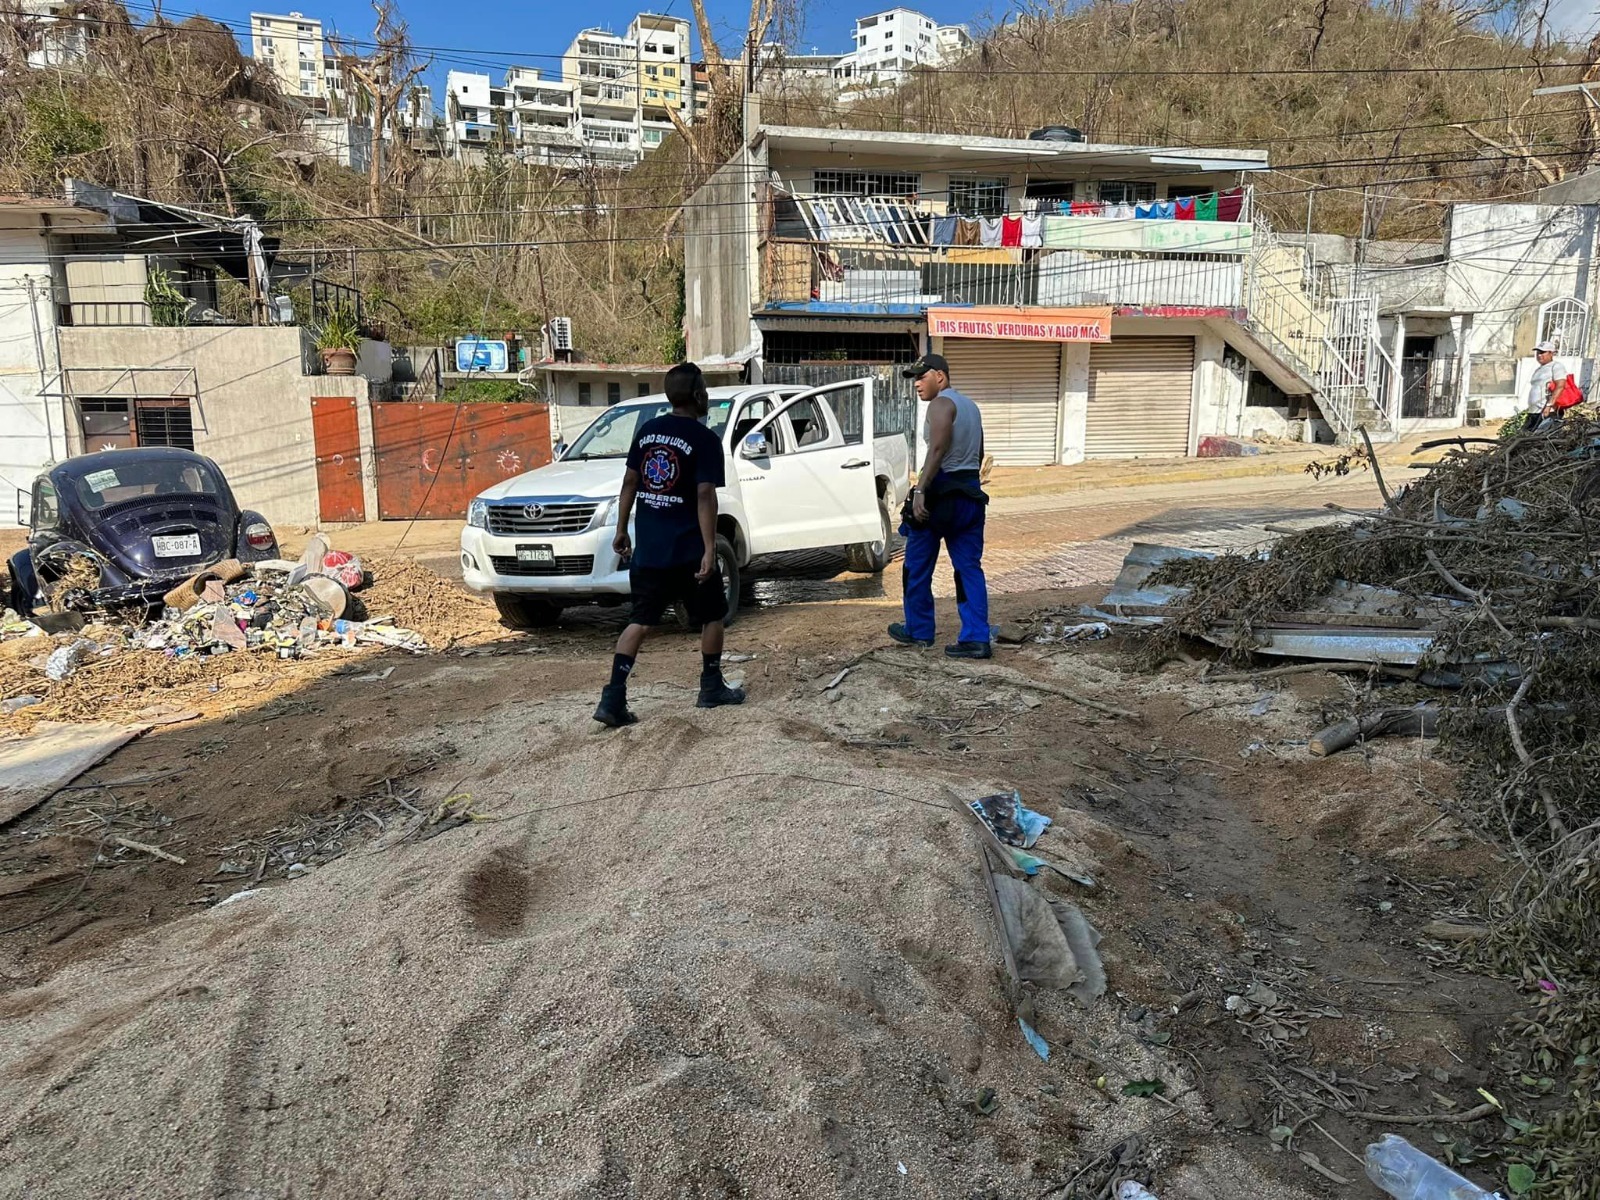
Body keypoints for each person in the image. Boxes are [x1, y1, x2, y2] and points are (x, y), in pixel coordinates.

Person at [593, 362, 745, 727]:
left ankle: (613, 697)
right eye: (705, 389)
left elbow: (629, 483)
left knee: (640, 621)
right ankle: (710, 687)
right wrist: (710, 549)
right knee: (712, 614)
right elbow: (705, 495)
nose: (706, 394)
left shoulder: (648, 432)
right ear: (697, 396)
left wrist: (621, 528)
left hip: (650, 551)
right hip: (689, 552)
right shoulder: (705, 440)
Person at [889, 352, 992, 659]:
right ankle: (976, 638)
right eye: (915, 378)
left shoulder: (940, 403)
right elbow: (979, 453)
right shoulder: (971, 407)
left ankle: (919, 631)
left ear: (941, 377)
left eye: (922, 377)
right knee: (968, 570)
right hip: (971, 498)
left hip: (938, 498)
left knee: (916, 567)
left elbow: (938, 447)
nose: (917, 384)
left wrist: (920, 490)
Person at [1526, 340, 1565, 431]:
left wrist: (1549, 405)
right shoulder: (1540, 369)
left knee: (1539, 439)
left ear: (1551, 353)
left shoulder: (1556, 366)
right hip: (1535, 411)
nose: (1539, 355)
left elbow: (1560, 386)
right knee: (1528, 438)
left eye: (1543, 352)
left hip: (1546, 411)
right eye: (1538, 352)